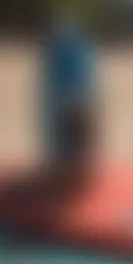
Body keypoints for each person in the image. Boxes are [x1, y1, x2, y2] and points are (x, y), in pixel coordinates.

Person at [40, 18, 98, 191]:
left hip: (68, 101)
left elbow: (68, 78)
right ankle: (75, 177)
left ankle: (72, 177)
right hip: (72, 100)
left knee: (69, 141)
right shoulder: (75, 48)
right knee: (74, 141)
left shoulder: (62, 49)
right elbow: (83, 77)